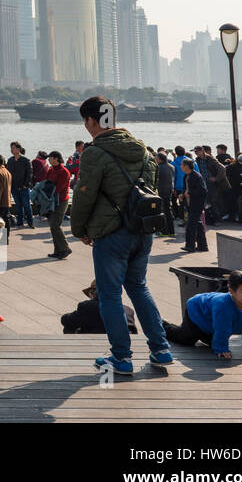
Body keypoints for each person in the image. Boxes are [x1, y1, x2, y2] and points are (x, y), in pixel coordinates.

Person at [69, 95, 172, 375]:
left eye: (85, 121)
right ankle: (161, 350)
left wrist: (79, 229)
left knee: (110, 294)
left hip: (111, 234)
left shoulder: (95, 152)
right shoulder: (142, 148)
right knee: (139, 287)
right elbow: (151, 187)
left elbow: (84, 195)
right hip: (142, 229)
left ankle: (122, 358)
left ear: (91, 120)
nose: (86, 126)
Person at [164, 271, 242, 360]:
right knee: (186, 339)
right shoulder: (223, 305)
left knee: (211, 342)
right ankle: (161, 324)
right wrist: (221, 348)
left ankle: (205, 334)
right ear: (231, 291)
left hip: (210, 323)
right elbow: (222, 329)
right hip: (197, 311)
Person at [61, 280, 137, 334]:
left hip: (97, 345)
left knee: (69, 327)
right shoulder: (128, 310)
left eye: (90, 293)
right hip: (125, 346)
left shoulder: (88, 306)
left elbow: (66, 320)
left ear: (94, 292)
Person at [178, 157, 209, 253]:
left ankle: (190, 246)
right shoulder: (186, 176)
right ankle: (203, 246)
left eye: (182, 165)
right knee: (198, 225)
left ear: (187, 166)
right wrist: (182, 194)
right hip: (190, 204)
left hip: (197, 204)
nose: (180, 166)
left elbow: (203, 191)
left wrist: (190, 193)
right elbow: (185, 188)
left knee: (191, 225)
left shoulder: (196, 176)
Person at [46, 151, 72, 258]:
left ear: (56, 159)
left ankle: (65, 248)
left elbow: (58, 188)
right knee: (53, 226)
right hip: (51, 200)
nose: (49, 160)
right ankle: (58, 251)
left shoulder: (64, 172)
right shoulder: (51, 170)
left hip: (61, 201)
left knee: (55, 225)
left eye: (51, 158)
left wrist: (47, 193)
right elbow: (47, 183)